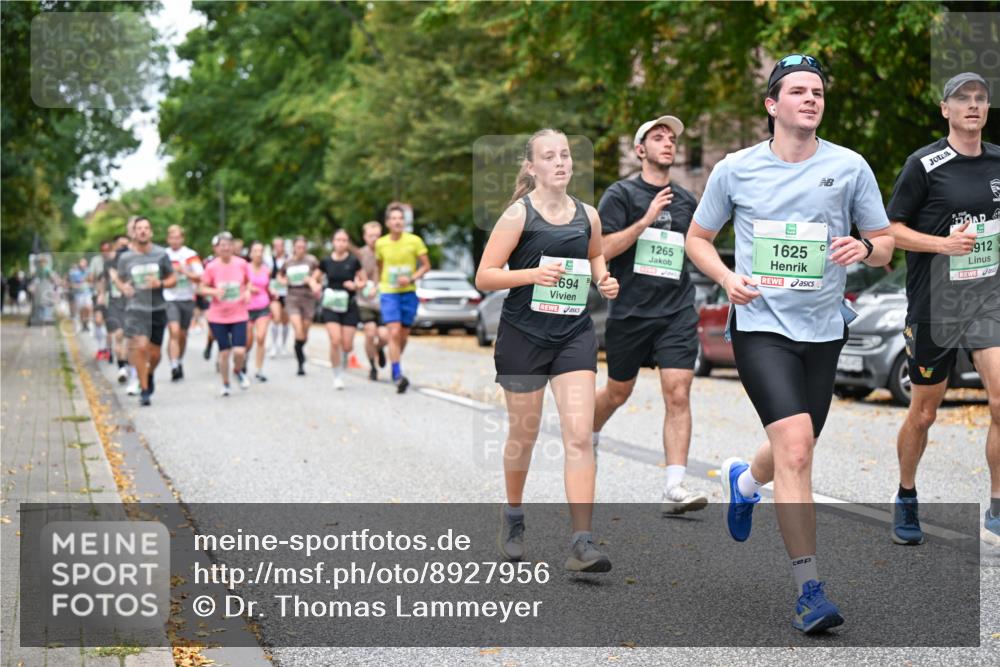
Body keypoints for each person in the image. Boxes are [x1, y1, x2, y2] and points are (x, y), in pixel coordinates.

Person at [685, 54, 894, 633]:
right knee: (798, 448)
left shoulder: (850, 167)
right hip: (761, 327)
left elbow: (883, 243)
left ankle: (745, 482)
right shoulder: (736, 169)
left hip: (825, 328)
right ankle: (810, 591)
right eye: (798, 91)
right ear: (773, 105)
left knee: (790, 450)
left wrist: (864, 248)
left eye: (818, 92)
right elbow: (697, 238)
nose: (811, 99)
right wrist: (727, 279)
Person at [475, 128, 620, 572]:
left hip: (573, 336)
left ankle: (582, 542)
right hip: (523, 337)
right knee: (525, 434)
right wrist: (531, 276)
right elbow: (485, 276)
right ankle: (514, 517)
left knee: (579, 436)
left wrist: (603, 279)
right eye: (549, 156)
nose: (561, 162)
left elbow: (595, 255)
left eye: (565, 155)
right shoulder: (518, 216)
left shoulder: (588, 215)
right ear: (532, 166)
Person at [885, 72, 1000, 546]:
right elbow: (889, 230)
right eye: (962, 99)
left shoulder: (998, 161)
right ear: (945, 109)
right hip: (937, 302)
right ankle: (906, 493)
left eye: (980, 98)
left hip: (989, 299)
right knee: (925, 413)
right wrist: (941, 244)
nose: (972, 105)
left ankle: (997, 504)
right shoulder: (924, 164)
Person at [592, 115, 708, 515]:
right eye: (658, 138)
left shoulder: (687, 200)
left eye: (672, 138)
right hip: (630, 311)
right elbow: (603, 249)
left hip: (675, 309)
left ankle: (675, 485)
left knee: (678, 392)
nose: (668, 143)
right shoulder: (620, 195)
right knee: (618, 392)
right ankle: (586, 432)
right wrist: (644, 220)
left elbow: (697, 248)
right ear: (640, 150)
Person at [112, 217, 177, 406]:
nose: (142, 231)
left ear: (151, 232)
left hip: (157, 308)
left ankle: (149, 374)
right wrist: (123, 288)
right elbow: (119, 278)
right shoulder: (126, 258)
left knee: (155, 354)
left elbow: (173, 278)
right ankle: (145, 388)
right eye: (139, 228)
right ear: (134, 232)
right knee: (140, 347)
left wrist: (161, 283)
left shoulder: (160, 254)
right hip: (135, 308)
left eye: (146, 228)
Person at [376, 205, 431, 393]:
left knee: (403, 335)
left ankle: (392, 359)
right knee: (394, 331)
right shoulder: (381, 243)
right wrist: (378, 285)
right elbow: (380, 266)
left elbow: (426, 265)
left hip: (408, 292)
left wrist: (411, 278)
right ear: (387, 222)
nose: (397, 221)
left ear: (404, 222)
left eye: (401, 218)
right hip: (389, 292)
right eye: (394, 218)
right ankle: (397, 374)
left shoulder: (414, 241)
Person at [200, 232, 251, 395]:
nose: (226, 248)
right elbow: (201, 288)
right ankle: (225, 383)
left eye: (229, 245)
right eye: (222, 246)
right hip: (218, 315)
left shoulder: (242, 264)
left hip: (239, 313)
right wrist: (214, 291)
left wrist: (248, 292)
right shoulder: (211, 266)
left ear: (233, 247)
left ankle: (237, 370)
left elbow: (249, 282)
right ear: (217, 249)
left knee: (239, 351)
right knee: (224, 352)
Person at [319, 229, 366, 390]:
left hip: (349, 305)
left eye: (344, 240)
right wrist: (315, 286)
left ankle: (344, 356)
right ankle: (337, 375)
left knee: (347, 345)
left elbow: (363, 281)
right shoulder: (326, 261)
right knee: (335, 340)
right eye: (338, 240)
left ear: (348, 243)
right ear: (333, 242)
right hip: (331, 305)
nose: (341, 243)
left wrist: (355, 285)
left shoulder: (354, 261)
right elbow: (314, 278)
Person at [164, 225, 204, 382]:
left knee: (182, 334)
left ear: (182, 238)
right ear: (168, 239)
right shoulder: (163, 255)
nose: (175, 240)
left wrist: (184, 271)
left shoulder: (190, 255)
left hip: (187, 298)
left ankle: (179, 360)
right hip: (169, 298)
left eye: (178, 237)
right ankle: (173, 365)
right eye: (172, 237)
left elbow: (200, 276)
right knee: (174, 331)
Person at [279, 236, 321, 376]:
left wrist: (313, 279)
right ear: (294, 248)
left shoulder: (312, 260)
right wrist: (284, 281)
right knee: (298, 328)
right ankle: (300, 362)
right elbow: (279, 276)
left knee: (305, 331)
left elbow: (319, 274)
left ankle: (299, 347)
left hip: (308, 298)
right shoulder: (288, 261)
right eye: (298, 247)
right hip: (293, 297)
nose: (301, 250)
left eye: (303, 247)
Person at [357, 221, 388, 381]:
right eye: (371, 236)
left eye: (377, 235)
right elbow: (354, 276)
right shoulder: (360, 255)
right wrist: (359, 283)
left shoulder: (387, 251)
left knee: (384, 336)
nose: (374, 239)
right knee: (369, 333)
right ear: (364, 237)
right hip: (365, 301)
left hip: (384, 300)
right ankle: (372, 367)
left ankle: (379, 349)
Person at [245, 241, 273, 382]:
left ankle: (259, 369)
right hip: (247, 308)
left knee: (261, 337)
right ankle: (243, 360)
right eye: (256, 251)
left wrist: (273, 292)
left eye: (261, 251)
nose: (259, 253)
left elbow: (268, 287)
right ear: (250, 253)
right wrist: (248, 288)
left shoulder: (266, 270)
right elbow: (240, 283)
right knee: (248, 341)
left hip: (263, 306)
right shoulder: (244, 268)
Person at [267, 236, 291, 357]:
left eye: (280, 245)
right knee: (276, 318)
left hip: (286, 293)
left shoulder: (289, 259)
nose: (278, 248)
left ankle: (284, 345)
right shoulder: (269, 260)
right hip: (274, 292)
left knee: (285, 320)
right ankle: (274, 345)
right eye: (275, 245)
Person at [67, 258, 92, 332]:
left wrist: (89, 279)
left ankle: (86, 323)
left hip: (87, 293)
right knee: (81, 310)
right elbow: (71, 284)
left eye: (85, 265)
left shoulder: (88, 271)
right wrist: (77, 285)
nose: (83, 267)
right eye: (82, 265)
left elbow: (92, 280)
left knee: (88, 308)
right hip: (79, 294)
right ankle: (83, 325)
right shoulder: (74, 273)